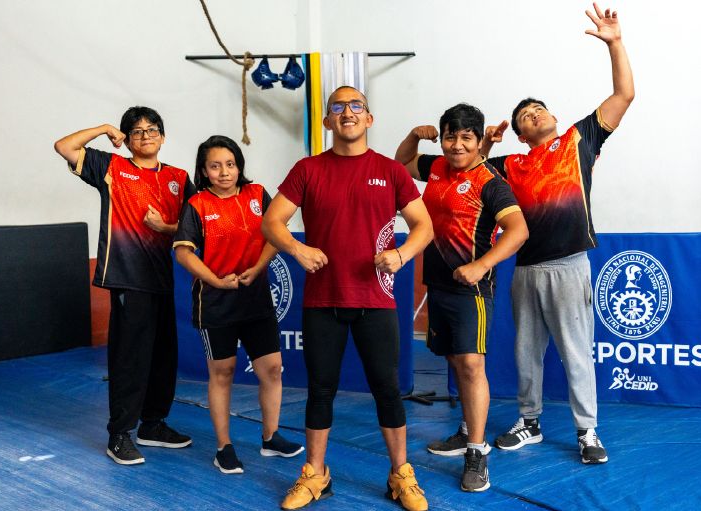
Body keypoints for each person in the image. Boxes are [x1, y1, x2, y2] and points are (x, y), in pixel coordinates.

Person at [262, 86, 433, 511]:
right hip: (323, 300)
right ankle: (315, 474)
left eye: (356, 105)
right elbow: (271, 222)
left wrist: (401, 255)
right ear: (327, 121)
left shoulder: (390, 170)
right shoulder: (308, 169)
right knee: (320, 390)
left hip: (376, 298)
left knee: (387, 389)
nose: (347, 112)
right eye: (337, 107)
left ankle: (400, 474)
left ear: (369, 118)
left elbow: (424, 226)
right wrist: (298, 249)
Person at [483, 3, 635, 464]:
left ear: (552, 115)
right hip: (526, 269)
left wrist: (614, 44)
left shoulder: (577, 140)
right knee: (526, 353)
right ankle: (529, 422)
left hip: (569, 267)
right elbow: (465, 172)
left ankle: (587, 431)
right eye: (525, 115)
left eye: (538, 109)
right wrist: (486, 143)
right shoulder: (510, 164)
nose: (533, 115)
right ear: (519, 133)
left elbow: (624, 94)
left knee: (576, 352)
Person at [394, 103, 528, 492]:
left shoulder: (490, 182)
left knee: (471, 364)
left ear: (478, 140)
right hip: (439, 285)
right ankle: (468, 429)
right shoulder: (436, 167)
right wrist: (413, 137)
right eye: (450, 136)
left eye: (466, 137)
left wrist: (482, 265)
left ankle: (476, 452)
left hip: (472, 289)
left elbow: (518, 230)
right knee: (454, 359)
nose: (456, 145)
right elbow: (402, 164)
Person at [53, 106, 194, 465]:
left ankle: (153, 425)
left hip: (163, 280)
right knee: (130, 359)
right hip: (128, 279)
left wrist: (165, 228)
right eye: (137, 131)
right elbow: (64, 146)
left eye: (152, 129)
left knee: (164, 357)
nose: (146, 136)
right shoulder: (112, 168)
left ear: (163, 136)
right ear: (128, 140)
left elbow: (197, 225)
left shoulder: (179, 177)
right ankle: (119, 434)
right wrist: (104, 128)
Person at [173, 135, 304, 474]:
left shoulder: (256, 194)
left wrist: (258, 268)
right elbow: (183, 252)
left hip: (256, 300)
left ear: (239, 166)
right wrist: (216, 281)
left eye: (230, 164)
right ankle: (224, 447)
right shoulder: (197, 204)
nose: (224, 172)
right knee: (223, 373)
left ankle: (271, 437)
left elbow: (277, 232)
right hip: (216, 303)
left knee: (272, 369)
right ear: (204, 170)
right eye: (215, 166)